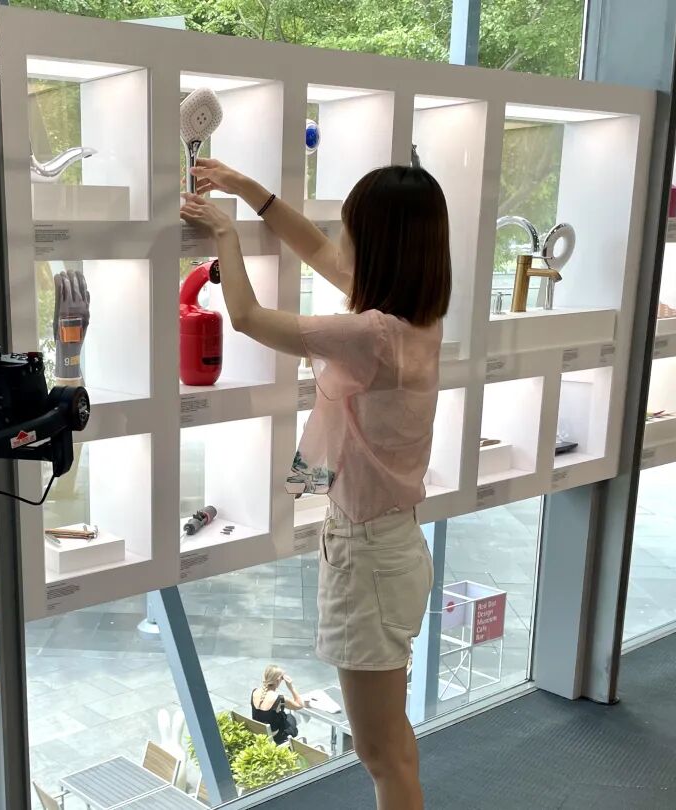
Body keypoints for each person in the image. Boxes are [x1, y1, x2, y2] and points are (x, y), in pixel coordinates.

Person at [182, 161, 449, 810]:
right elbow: (318, 251)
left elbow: (247, 317)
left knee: (380, 755)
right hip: (392, 549)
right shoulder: (415, 318)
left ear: (377, 243)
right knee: (393, 745)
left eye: (351, 227)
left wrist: (226, 234)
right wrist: (248, 191)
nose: (341, 238)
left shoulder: (371, 336)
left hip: (369, 562)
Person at [250, 665, 304, 744]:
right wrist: (291, 687)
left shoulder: (254, 691)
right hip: (275, 736)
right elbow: (300, 705)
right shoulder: (279, 699)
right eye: (282, 678)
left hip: (258, 732)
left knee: (286, 716)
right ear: (278, 680)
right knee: (291, 718)